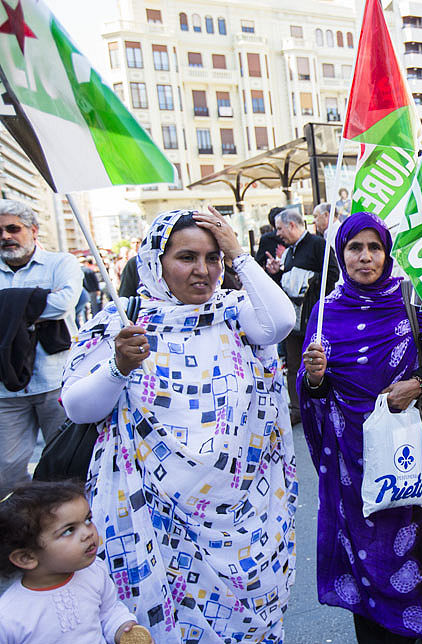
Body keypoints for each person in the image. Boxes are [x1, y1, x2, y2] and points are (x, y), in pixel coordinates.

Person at [60, 208, 299, 642]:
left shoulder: (234, 312)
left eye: (214, 258)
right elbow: (78, 408)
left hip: (243, 517)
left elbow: (282, 322)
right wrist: (118, 367)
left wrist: (239, 255)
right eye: (187, 257)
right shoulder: (122, 321)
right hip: (156, 520)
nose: (203, 271)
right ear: (156, 261)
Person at [299, 212, 422, 644]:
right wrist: (314, 378)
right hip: (353, 468)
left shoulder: (411, 298)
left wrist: (416, 384)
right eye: (355, 248)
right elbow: (314, 394)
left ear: (387, 252)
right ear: (341, 255)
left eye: (374, 247)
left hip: (411, 460)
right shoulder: (326, 313)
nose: (365, 257)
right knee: (367, 564)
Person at [0, 480, 153, 643]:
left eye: (88, 520)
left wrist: (122, 628)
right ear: (27, 558)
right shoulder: (9, 616)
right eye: (69, 530)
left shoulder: (94, 571)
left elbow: (108, 612)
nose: (88, 533)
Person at [0, 199, 82, 491]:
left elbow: (62, 305)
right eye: (0, 231)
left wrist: (7, 310)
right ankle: (25, 530)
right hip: (6, 388)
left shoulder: (61, 263)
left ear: (33, 231)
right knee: (6, 473)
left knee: (66, 463)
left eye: (13, 228)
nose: (5, 236)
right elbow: (52, 302)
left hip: (56, 380)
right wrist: (37, 299)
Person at [265, 207, 339, 424]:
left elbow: (332, 275)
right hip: (293, 321)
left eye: (280, 228)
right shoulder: (289, 252)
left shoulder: (318, 245)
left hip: (314, 319)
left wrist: (311, 282)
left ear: (292, 225)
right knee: (294, 364)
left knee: (318, 363)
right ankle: (297, 409)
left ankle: (319, 407)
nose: (277, 234)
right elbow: (285, 283)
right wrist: (276, 273)